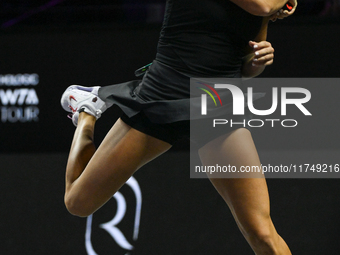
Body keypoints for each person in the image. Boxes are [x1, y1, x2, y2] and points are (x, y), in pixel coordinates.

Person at [60, 0, 297, 254]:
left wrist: (259, 59)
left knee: (262, 233)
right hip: (164, 93)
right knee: (78, 202)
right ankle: (87, 111)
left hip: (217, 103)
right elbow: (260, 7)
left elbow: (247, 64)